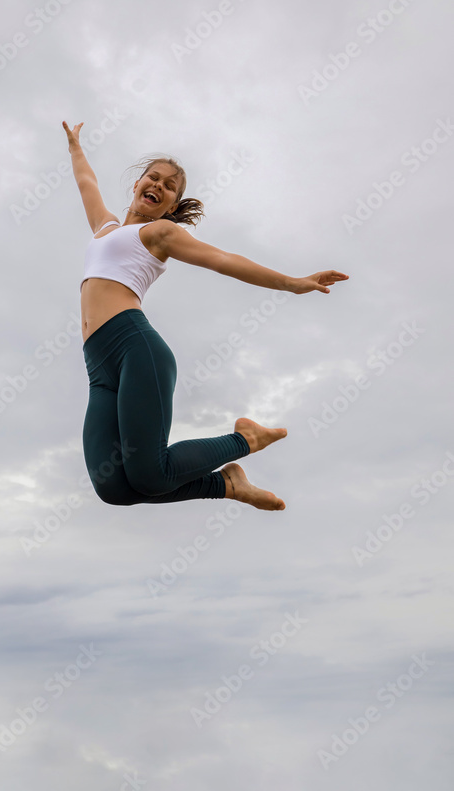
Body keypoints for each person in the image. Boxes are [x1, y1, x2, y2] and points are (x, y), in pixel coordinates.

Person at [64, 120, 348, 508]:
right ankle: (229, 484)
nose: (158, 186)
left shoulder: (159, 234)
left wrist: (292, 283)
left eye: (169, 187)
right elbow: (87, 184)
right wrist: (75, 147)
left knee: (151, 474)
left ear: (172, 206)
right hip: (98, 366)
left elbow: (222, 260)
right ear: (136, 184)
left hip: (135, 349)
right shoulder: (106, 227)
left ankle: (244, 439)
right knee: (112, 487)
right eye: (153, 177)